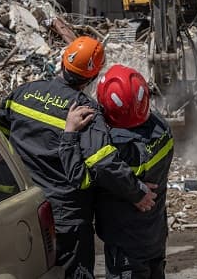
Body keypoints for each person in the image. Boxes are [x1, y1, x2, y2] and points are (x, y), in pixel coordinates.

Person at [0, 36, 156, 279]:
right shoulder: (84, 112)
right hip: (66, 215)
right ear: (93, 76)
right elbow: (103, 162)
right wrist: (137, 192)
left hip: (23, 207)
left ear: (62, 61)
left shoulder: (23, 93)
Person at [62, 64, 174, 279]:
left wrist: (70, 134)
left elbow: (82, 177)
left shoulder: (116, 147)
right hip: (155, 234)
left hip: (126, 244)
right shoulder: (162, 128)